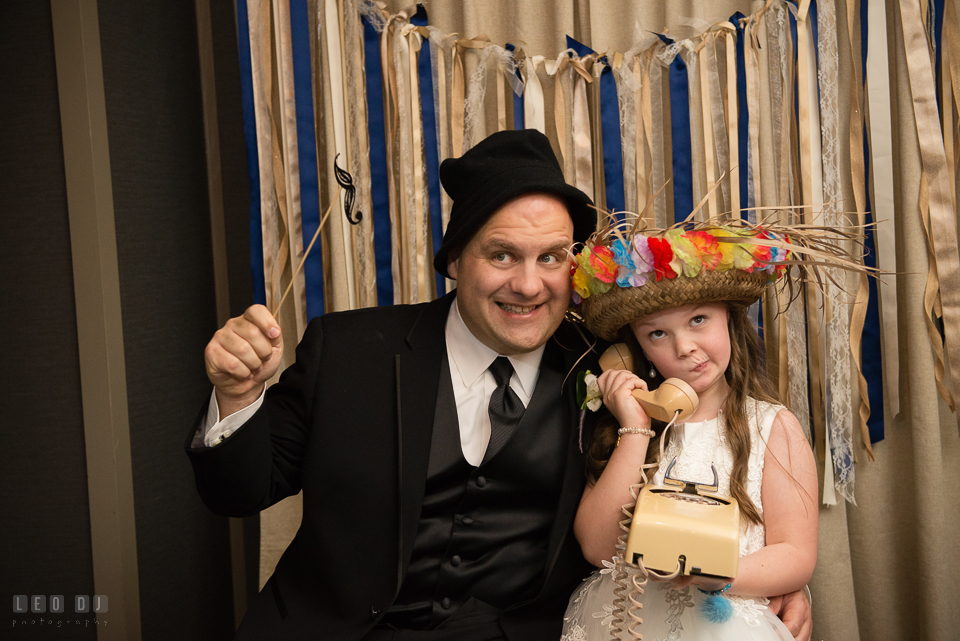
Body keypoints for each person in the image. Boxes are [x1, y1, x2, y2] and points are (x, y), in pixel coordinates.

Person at [186, 128, 812, 641]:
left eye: (552, 257)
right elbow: (238, 492)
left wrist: (773, 580)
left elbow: (705, 447)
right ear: (455, 261)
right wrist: (237, 397)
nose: (530, 285)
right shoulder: (349, 350)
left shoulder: (607, 364)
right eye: (503, 255)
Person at [561, 220, 826, 640]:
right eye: (658, 334)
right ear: (633, 352)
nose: (683, 347)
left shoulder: (773, 427)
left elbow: (795, 554)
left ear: (730, 319)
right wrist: (636, 427)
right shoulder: (623, 430)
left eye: (699, 320)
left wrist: (715, 574)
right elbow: (596, 546)